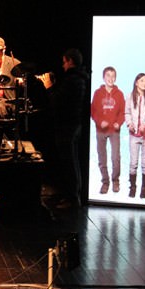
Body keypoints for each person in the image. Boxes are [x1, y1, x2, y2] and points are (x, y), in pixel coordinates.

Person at [36, 48, 88, 210]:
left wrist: (49, 86)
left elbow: (58, 102)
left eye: (64, 61)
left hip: (68, 127)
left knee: (69, 163)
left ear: (70, 61)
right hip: (74, 125)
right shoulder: (77, 78)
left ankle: (72, 199)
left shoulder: (73, 80)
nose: (63, 65)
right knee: (72, 162)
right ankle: (72, 196)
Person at [90, 66, 126, 194]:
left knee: (115, 157)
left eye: (113, 76)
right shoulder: (97, 93)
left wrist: (118, 123)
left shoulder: (120, 94)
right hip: (101, 131)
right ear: (104, 78)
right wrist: (100, 121)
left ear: (115, 78)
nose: (110, 78)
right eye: (108, 76)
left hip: (114, 131)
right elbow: (92, 111)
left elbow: (123, 112)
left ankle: (115, 180)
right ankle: (105, 182)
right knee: (102, 157)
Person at [124, 73, 145, 199]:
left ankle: (144, 188)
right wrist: (129, 124)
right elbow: (127, 112)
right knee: (133, 162)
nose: (144, 83)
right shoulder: (130, 96)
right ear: (136, 82)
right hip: (134, 134)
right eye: (142, 81)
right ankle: (132, 187)